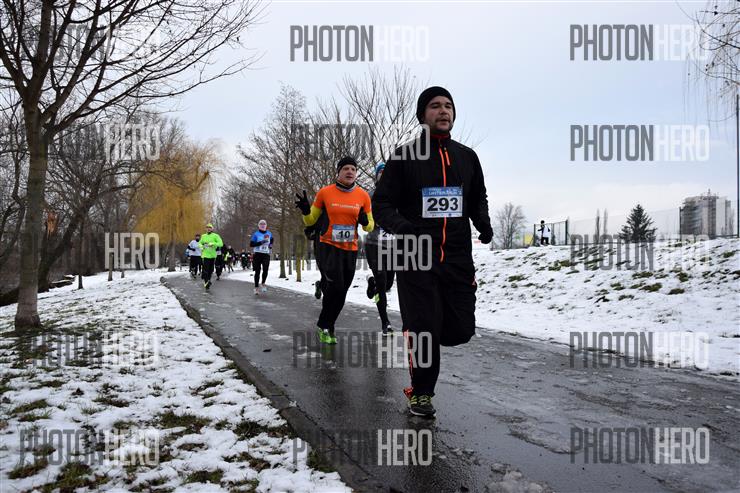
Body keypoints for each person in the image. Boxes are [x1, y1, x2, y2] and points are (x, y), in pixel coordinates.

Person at [372, 86, 493, 418]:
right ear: (422, 115)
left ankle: (428, 336)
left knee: (459, 329)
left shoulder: (467, 157)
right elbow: (381, 204)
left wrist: (482, 222)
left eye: (448, 106)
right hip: (415, 257)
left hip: (456, 256)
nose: (443, 111)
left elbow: (477, 197)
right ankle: (422, 393)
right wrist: (403, 227)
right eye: (435, 106)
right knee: (423, 327)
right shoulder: (404, 157)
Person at [295, 156, 374, 345]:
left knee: (341, 291)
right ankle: (324, 325)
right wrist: (306, 211)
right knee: (336, 287)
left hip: (350, 249)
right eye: (345, 168)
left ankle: (328, 326)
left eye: (353, 169)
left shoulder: (363, 196)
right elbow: (310, 220)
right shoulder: (325, 192)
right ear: (338, 172)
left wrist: (365, 221)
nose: (350, 172)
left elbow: (370, 226)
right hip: (328, 247)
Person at [364, 162, 396, 335]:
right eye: (380, 172)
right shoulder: (370, 195)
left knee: (388, 283)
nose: (383, 175)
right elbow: (363, 217)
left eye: (386, 172)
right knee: (382, 281)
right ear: (376, 176)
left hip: (392, 246)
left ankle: (372, 283)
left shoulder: (398, 194)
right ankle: (385, 323)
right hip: (374, 244)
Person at [250, 219, 273, 295]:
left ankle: (263, 283)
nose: (263, 226)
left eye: (264, 224)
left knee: (265, 269)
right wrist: (261, 242)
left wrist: (270, 245)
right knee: (257, 271)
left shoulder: (269, 233)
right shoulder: (256, 234)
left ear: (266, 225)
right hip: (257, 254)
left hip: (266, 254)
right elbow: (251, 244)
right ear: (259, 226)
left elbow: (272, 240)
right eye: (261, 224)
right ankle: (256, 287)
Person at [199, 223, 223, 290]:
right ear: (206, 229)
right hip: (205, 255)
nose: (208, 229)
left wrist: (213, 243)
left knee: (211, 270)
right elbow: (200, 243)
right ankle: (206, 281)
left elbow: (221, 244)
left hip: (212, 255)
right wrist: (201, 247)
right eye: (207, 228)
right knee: (205, 269)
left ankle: (208, 281)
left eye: (210, 227)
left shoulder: (216, 236)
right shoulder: (203, 236)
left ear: (212, 229)